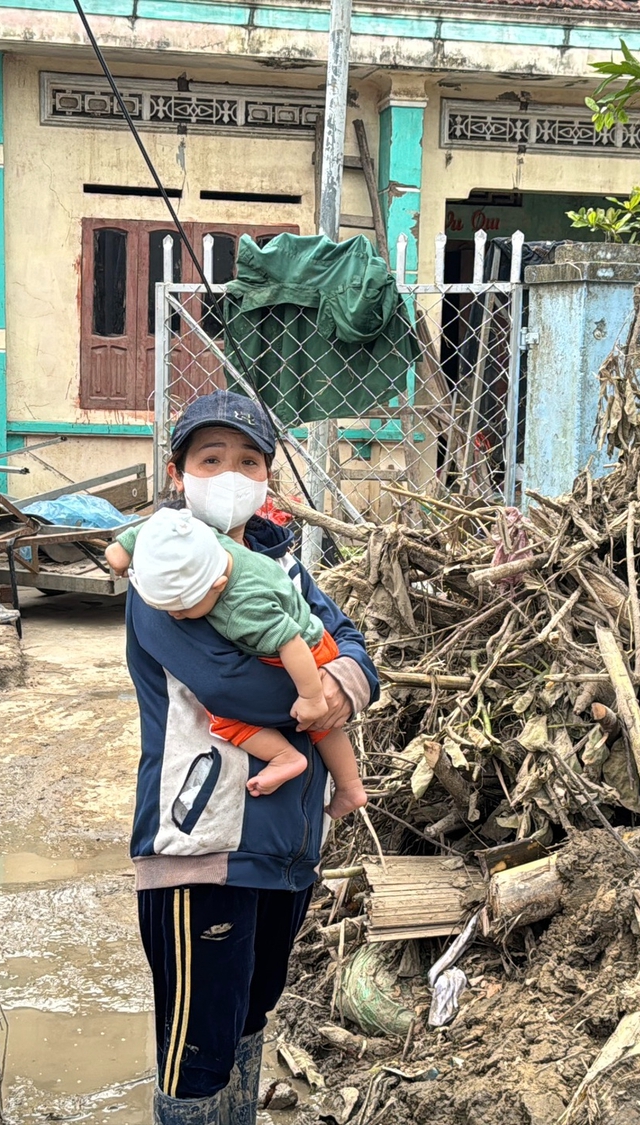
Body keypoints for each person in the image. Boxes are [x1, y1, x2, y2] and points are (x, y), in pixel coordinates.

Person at [124, 391, 378, 1125]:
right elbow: (237, 686)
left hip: (286, 847)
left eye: (248, 459)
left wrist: (331, 683)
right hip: (202, 849)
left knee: (248, 1022)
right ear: (179, 473)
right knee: (196, 1057)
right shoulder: (166, 572)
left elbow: (360, 650)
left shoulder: (285, 570)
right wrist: (325, 687)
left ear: (267, 476)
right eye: (211, 459)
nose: (229, 473)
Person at [106, 506, 368, 817]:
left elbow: (289, 641)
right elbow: (159, 526)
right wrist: (121, 550)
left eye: (183, 607)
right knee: (324, 729)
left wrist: (311, 695)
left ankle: (285, 757)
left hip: (303, 652)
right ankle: (351, 787)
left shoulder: (244, 608)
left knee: (242, 720)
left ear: (217, 586)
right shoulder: (205, 540)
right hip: (307, 637)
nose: (174, 615)